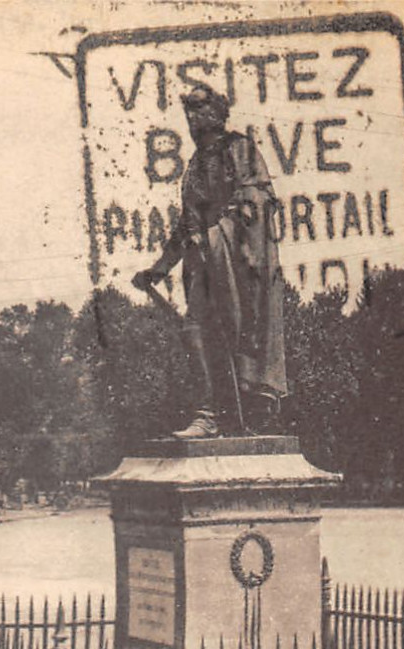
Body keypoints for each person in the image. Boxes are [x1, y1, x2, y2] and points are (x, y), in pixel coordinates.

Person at [133, 86, 288, 438]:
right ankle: (209, 413)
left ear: (217, 115)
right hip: (202, 266)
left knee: (237, 337)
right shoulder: (195, 164)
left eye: (200, 110)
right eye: (188, 112)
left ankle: (245, 412)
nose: (192, 119)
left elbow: (255, 200)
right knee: (194, 333)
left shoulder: (241, 149)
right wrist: (160, 268)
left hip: (238, 266)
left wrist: (214, 235)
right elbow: (186, 224)